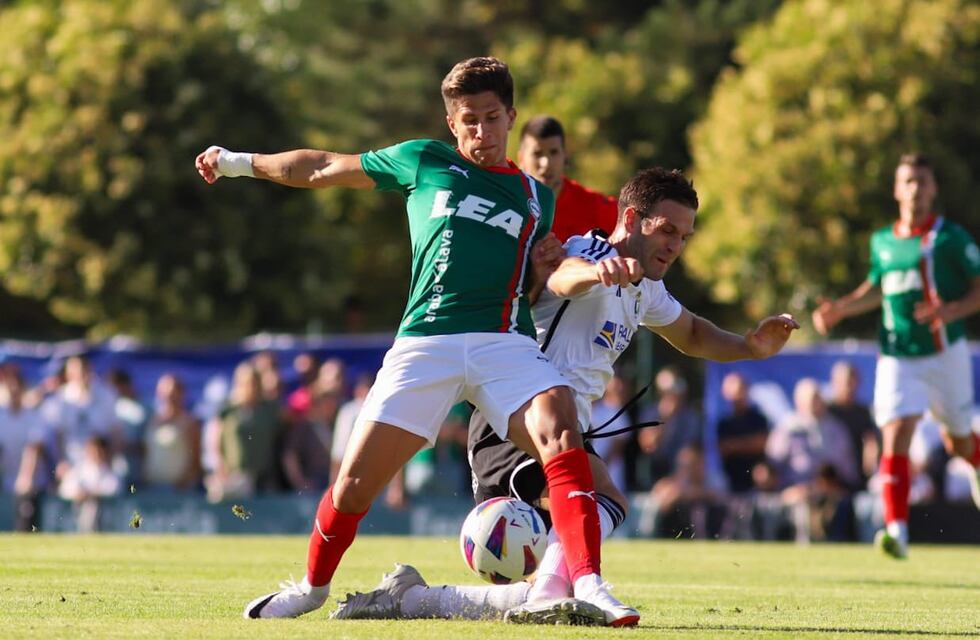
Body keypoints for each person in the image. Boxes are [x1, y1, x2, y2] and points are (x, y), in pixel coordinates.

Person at [196, 57, 629, 623]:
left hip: (504, 341)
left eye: (492, 118)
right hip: (427, 341)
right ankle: (311, 586)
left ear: (511, 117)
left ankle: (589, 584)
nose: (481, 131)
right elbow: (324, 165)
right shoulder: (423, 160)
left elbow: (531, 279)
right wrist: (235, 162)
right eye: (469, 119)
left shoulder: (534, 197)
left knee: (560, 426)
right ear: (452, 124)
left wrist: (544, 261)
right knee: (353, 487)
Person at [329, 167, 799, 625]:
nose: (675, 245)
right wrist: (599, 274)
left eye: (684, 237)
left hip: (565, 433)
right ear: (631, 220)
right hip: (516, 418)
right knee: (605, 501)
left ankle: (414, 599)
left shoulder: (646, 289)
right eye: (666, 230)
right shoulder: (586, 251)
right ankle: (539, 593)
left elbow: (693, 333)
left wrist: (750, 347)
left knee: (592, 526)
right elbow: (562, 277)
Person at [812, 154, 980, 559]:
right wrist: (839, 309)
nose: (915, 189)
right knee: (896, 431)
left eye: (922, 181)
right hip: (898, 355)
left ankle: (975, 461)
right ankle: (897, 531)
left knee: (958, 443)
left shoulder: (952, 239)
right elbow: (875, 288)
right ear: (896, 189)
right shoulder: (883, 241)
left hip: (945, 354)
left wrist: (952, 310)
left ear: (933, 189)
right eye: (908, 181)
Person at [516, 115, 618, 242]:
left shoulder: (595, 207)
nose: (546, 163)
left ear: (565, 156)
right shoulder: (506, 203)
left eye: (554, 152)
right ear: (521, 158)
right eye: (537, 154)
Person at [825, 360, 879, 488]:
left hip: (857, 475)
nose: (847, 386)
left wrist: (871, 457)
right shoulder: (827, 411)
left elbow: (870, 440)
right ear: (833, 382)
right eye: (843, 381)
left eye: (851, 381)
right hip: (832, 477)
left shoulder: (863, 412)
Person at [716, 372, 770, 495]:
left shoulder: (758, 418)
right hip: (732, 481)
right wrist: (748, 444)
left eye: (740, 391)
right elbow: (723, 448)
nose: (737, 397)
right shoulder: (724, 422)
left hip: (757, 482)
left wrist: (735, 445)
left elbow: (762, 443)